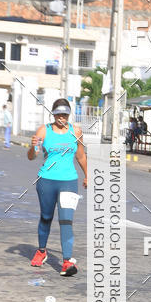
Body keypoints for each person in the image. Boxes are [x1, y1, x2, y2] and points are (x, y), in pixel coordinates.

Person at [28, 98, 87, 277]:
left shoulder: (75, 131)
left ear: (69, 115)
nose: (62, 117)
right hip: (46, 180)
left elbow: (81, 156)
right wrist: (32, 147)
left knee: (66, 220)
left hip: (69, 181)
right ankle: (41, 251)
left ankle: (67, 262)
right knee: (46, 217)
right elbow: (32, 156)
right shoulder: (43, 131)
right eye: (59, 114)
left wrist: (87, 175)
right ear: (53, 114)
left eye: (65, 114)